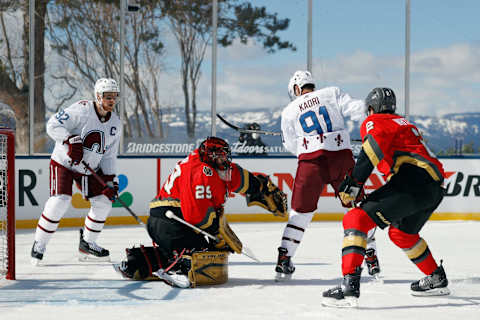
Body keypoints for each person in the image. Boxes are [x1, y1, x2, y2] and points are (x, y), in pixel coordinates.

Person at [322, 87, 450, 307]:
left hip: (413, 180)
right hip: (434, 187)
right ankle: (436, 278)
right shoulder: (404, 123)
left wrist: (353, 183)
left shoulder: (375, 120)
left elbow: (372, 149)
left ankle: (349, 287)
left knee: (356, 219)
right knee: (402, 234)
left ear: (371, 109)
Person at [114, 136, 288, 288]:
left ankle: (137, 263)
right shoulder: (200, 173)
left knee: (195, 247)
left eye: (225, 155)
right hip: (170, 223)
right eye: (220, 156)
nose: (225, 160)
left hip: (169, 221)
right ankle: (179, 271)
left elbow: (237, 177)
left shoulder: (214, 166)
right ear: (210, 156)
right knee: (203, 252)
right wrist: (218, 235)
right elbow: (197, 216)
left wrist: (260, 186)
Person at [276, 70, 379, 281]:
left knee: (300, 212)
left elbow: (290, 145)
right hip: (340, 159)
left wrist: (310, 145)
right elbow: (358, 109)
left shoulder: (289, 111)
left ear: (296, 89)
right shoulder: (332, 93)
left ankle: (284, 258)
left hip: (310, 163)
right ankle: (370, 256)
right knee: (358, 207)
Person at [31, 78, 122, 265]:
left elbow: (109, 156)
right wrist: (69, 140)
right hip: (64, 162)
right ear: (98, 96)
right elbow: (53, 125)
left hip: (88, 168)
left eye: (114, 96)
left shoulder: (116, 124)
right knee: (60, 201)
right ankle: (39, 244)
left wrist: (111, 180)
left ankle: (88, 243)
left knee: (104, 202)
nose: (111, 100)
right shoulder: (81, 110)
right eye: (107, 96)